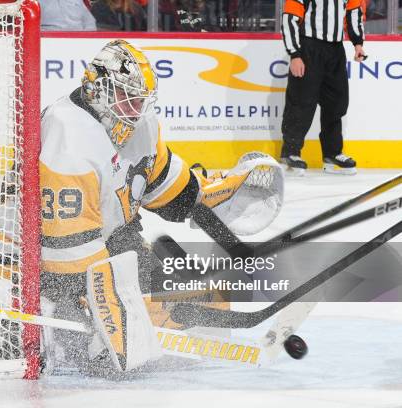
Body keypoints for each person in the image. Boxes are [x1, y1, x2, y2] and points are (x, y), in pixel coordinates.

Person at [36, 39, 283, 375]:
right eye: (128, 97)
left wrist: (218, 193)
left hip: (111, 242)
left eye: (141, 99)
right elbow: (67, 256)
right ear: (98, 89)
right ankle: (57, 325)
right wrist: (111, 308)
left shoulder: (138, 122)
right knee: (101, 354)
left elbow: (165, 185)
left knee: (197, 296)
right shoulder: (68, 137)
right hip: (43, 264)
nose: (136, 108)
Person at [280, 0, 366, 176]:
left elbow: (353, 13)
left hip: (335, 50)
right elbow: (290, 19)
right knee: (301, 100)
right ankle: (291, 152)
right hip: (308, 47)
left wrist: (358, 43)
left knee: (336, 103)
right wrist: (295, 54)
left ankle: (332, 153)